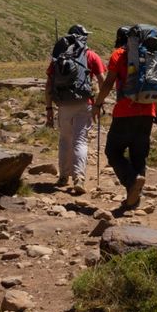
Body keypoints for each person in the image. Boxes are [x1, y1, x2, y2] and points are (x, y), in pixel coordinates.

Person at [92, 26, 157, 213]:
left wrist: (97, 105)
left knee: (112, 151)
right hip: (148, 112)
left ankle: (131, 182)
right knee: (139, 156)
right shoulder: (152, 54)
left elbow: (107, 83)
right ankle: (134, 199)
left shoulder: (119, 55)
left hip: (124, 112)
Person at [45, 24, 106, 195]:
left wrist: (48, 108)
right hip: (84, 102)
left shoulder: (58, 57)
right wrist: (100, 103)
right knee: (80, 140)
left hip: (63, 104)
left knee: (65, 139)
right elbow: (103, 81)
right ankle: (79, 177)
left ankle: (63, 176)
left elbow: (49, 84)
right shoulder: (91, 55)